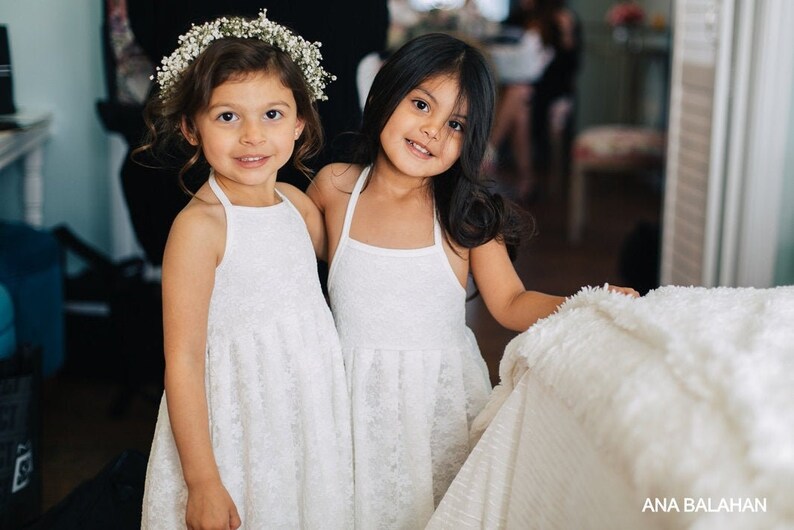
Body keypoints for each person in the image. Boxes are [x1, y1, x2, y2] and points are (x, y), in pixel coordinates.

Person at [308, 32, 637, 529]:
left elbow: (509, 301)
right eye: (421, 104)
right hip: (350, 398)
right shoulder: (334, 187)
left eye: (456, 123)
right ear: (384, 92)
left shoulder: (465, 214)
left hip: (437, 405)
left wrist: (586, 302)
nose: (432, 131)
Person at [138, 11, 353, 529]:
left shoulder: (297, 204)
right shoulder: (201, 229)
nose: (253, 136)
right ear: (191, 127)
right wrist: (203, 481)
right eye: (228, 117)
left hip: (302, 414)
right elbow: (183, 360)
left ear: (299, 123)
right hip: (236, 424)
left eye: (273, 115)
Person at [487, 0, 581, 202]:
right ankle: (526, 180)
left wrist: (567, 34)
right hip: (518, 87)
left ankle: (487, 152)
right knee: (520, 103)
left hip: (550, 89)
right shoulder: (514, 19)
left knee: (520, 96)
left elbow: (571, 67)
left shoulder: (562, 19)